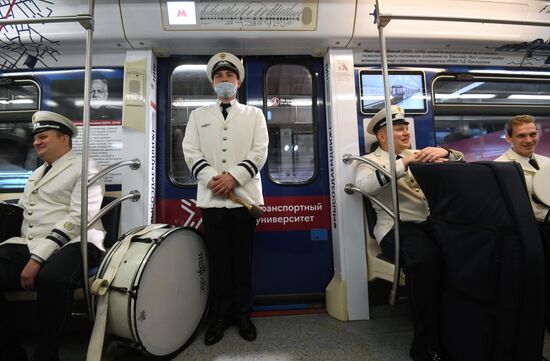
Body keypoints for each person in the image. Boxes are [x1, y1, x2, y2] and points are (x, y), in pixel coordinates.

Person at [355, 106, 463, 361]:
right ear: (382, 137)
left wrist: (446, 152)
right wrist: (404, 161)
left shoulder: (421, 154)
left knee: (467, 252)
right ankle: (423, 345)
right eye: (399, 129)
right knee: (425, 262)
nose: (406, 132)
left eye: (407, 128)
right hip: (396, 227)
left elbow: (462, 164)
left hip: (431, 224)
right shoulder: (369, 161)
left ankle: (460, 332)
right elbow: (365, 186)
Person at [0, 111, 105, 361]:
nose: (36, 142)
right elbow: (27, 213)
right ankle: (10, 352)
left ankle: (47, 353)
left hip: (77, 240)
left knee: (52, 279)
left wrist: (36, 260)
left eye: (43, 136)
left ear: (64, 139)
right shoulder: (36, 174)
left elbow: (78, 218)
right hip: (31, 240)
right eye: (35, 138)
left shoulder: (86, 166)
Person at [182, 52, 269, 346]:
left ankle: (243, 314)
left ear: (239, 82)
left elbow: (260, 151)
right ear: (212, 83)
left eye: (229, 76)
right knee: (218, 260)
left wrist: (234, 176)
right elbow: (190, 151)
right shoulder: (197, 116)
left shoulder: (254, 115)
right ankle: (220, 316)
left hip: (245, 199)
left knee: (242, 260)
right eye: (219, 77)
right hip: (212, 200)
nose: (224, 81)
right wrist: (211, 179)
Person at [494, 115, 550, 223]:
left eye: (533, 134)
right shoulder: (499, 166)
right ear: (508, 138)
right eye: (521, 136)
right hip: (530, 229)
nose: (529, 140)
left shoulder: (547, 162)